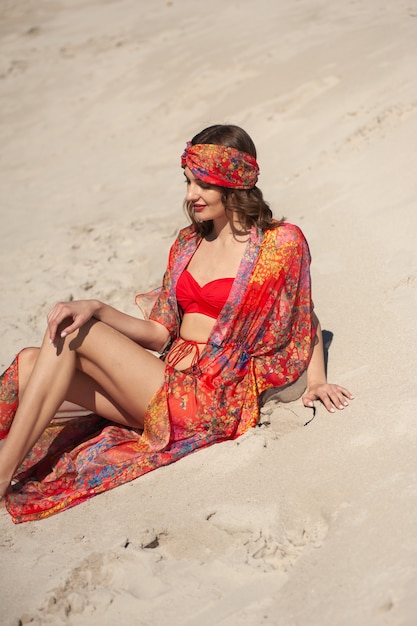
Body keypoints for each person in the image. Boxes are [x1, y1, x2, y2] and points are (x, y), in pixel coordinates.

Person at [0, 124, 353, 523]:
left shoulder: (279, 244)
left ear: (232, 180)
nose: (190, 195)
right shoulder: (188, 242)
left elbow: (303, 316)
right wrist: (99, 308)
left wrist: (318, 379)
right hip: (166, 380)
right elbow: (159, 332)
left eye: (202, 183)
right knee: (31, 362)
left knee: (74, 334)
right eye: (188, 182)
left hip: (212, 398)